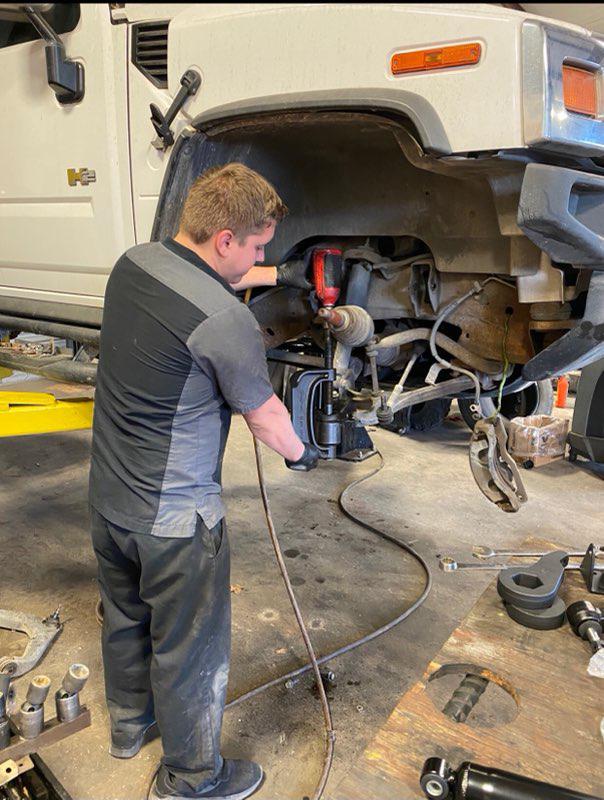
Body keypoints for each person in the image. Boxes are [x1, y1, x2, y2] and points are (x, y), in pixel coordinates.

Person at [88, 163, 320, 800]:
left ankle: (130, 728)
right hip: (175, 523)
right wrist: (305, 457)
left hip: (109, 501)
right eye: (256, 245)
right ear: (225, 240)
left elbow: (211, 276)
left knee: (126, 618)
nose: (261, 255)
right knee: (191, 650)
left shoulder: (133, 264)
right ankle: (191, 780)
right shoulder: (227, 323)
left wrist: (284, 275)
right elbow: (268, 419)